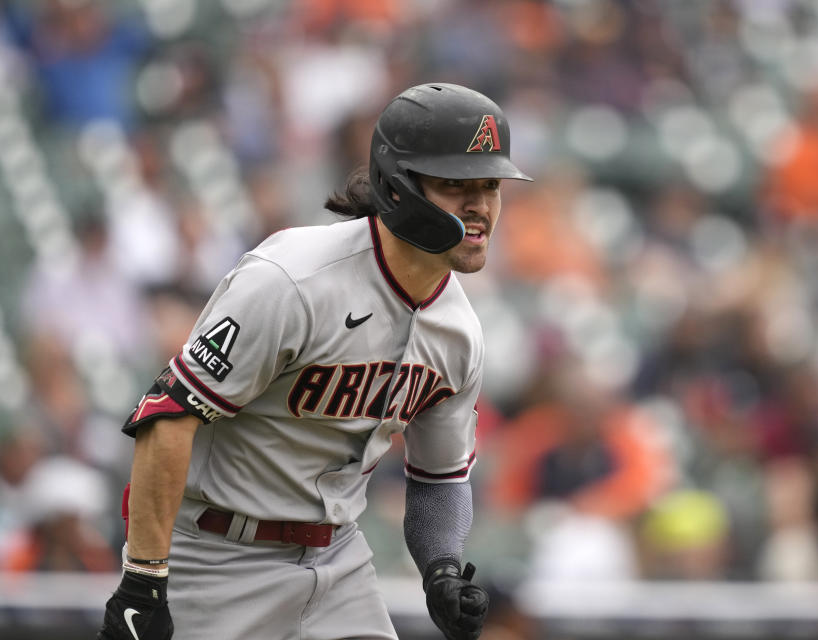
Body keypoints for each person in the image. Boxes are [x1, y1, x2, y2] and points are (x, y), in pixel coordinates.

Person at [97, 82, 532, 640]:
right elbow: (168, 417)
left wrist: (441, 568)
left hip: (338, 563)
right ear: (397, 186)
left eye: (491, 185)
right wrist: (143, 579)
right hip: (214, 556)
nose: (480, 206)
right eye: (455, 184)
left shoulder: (459, 333)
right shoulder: (292, 280)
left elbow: (439, 479)